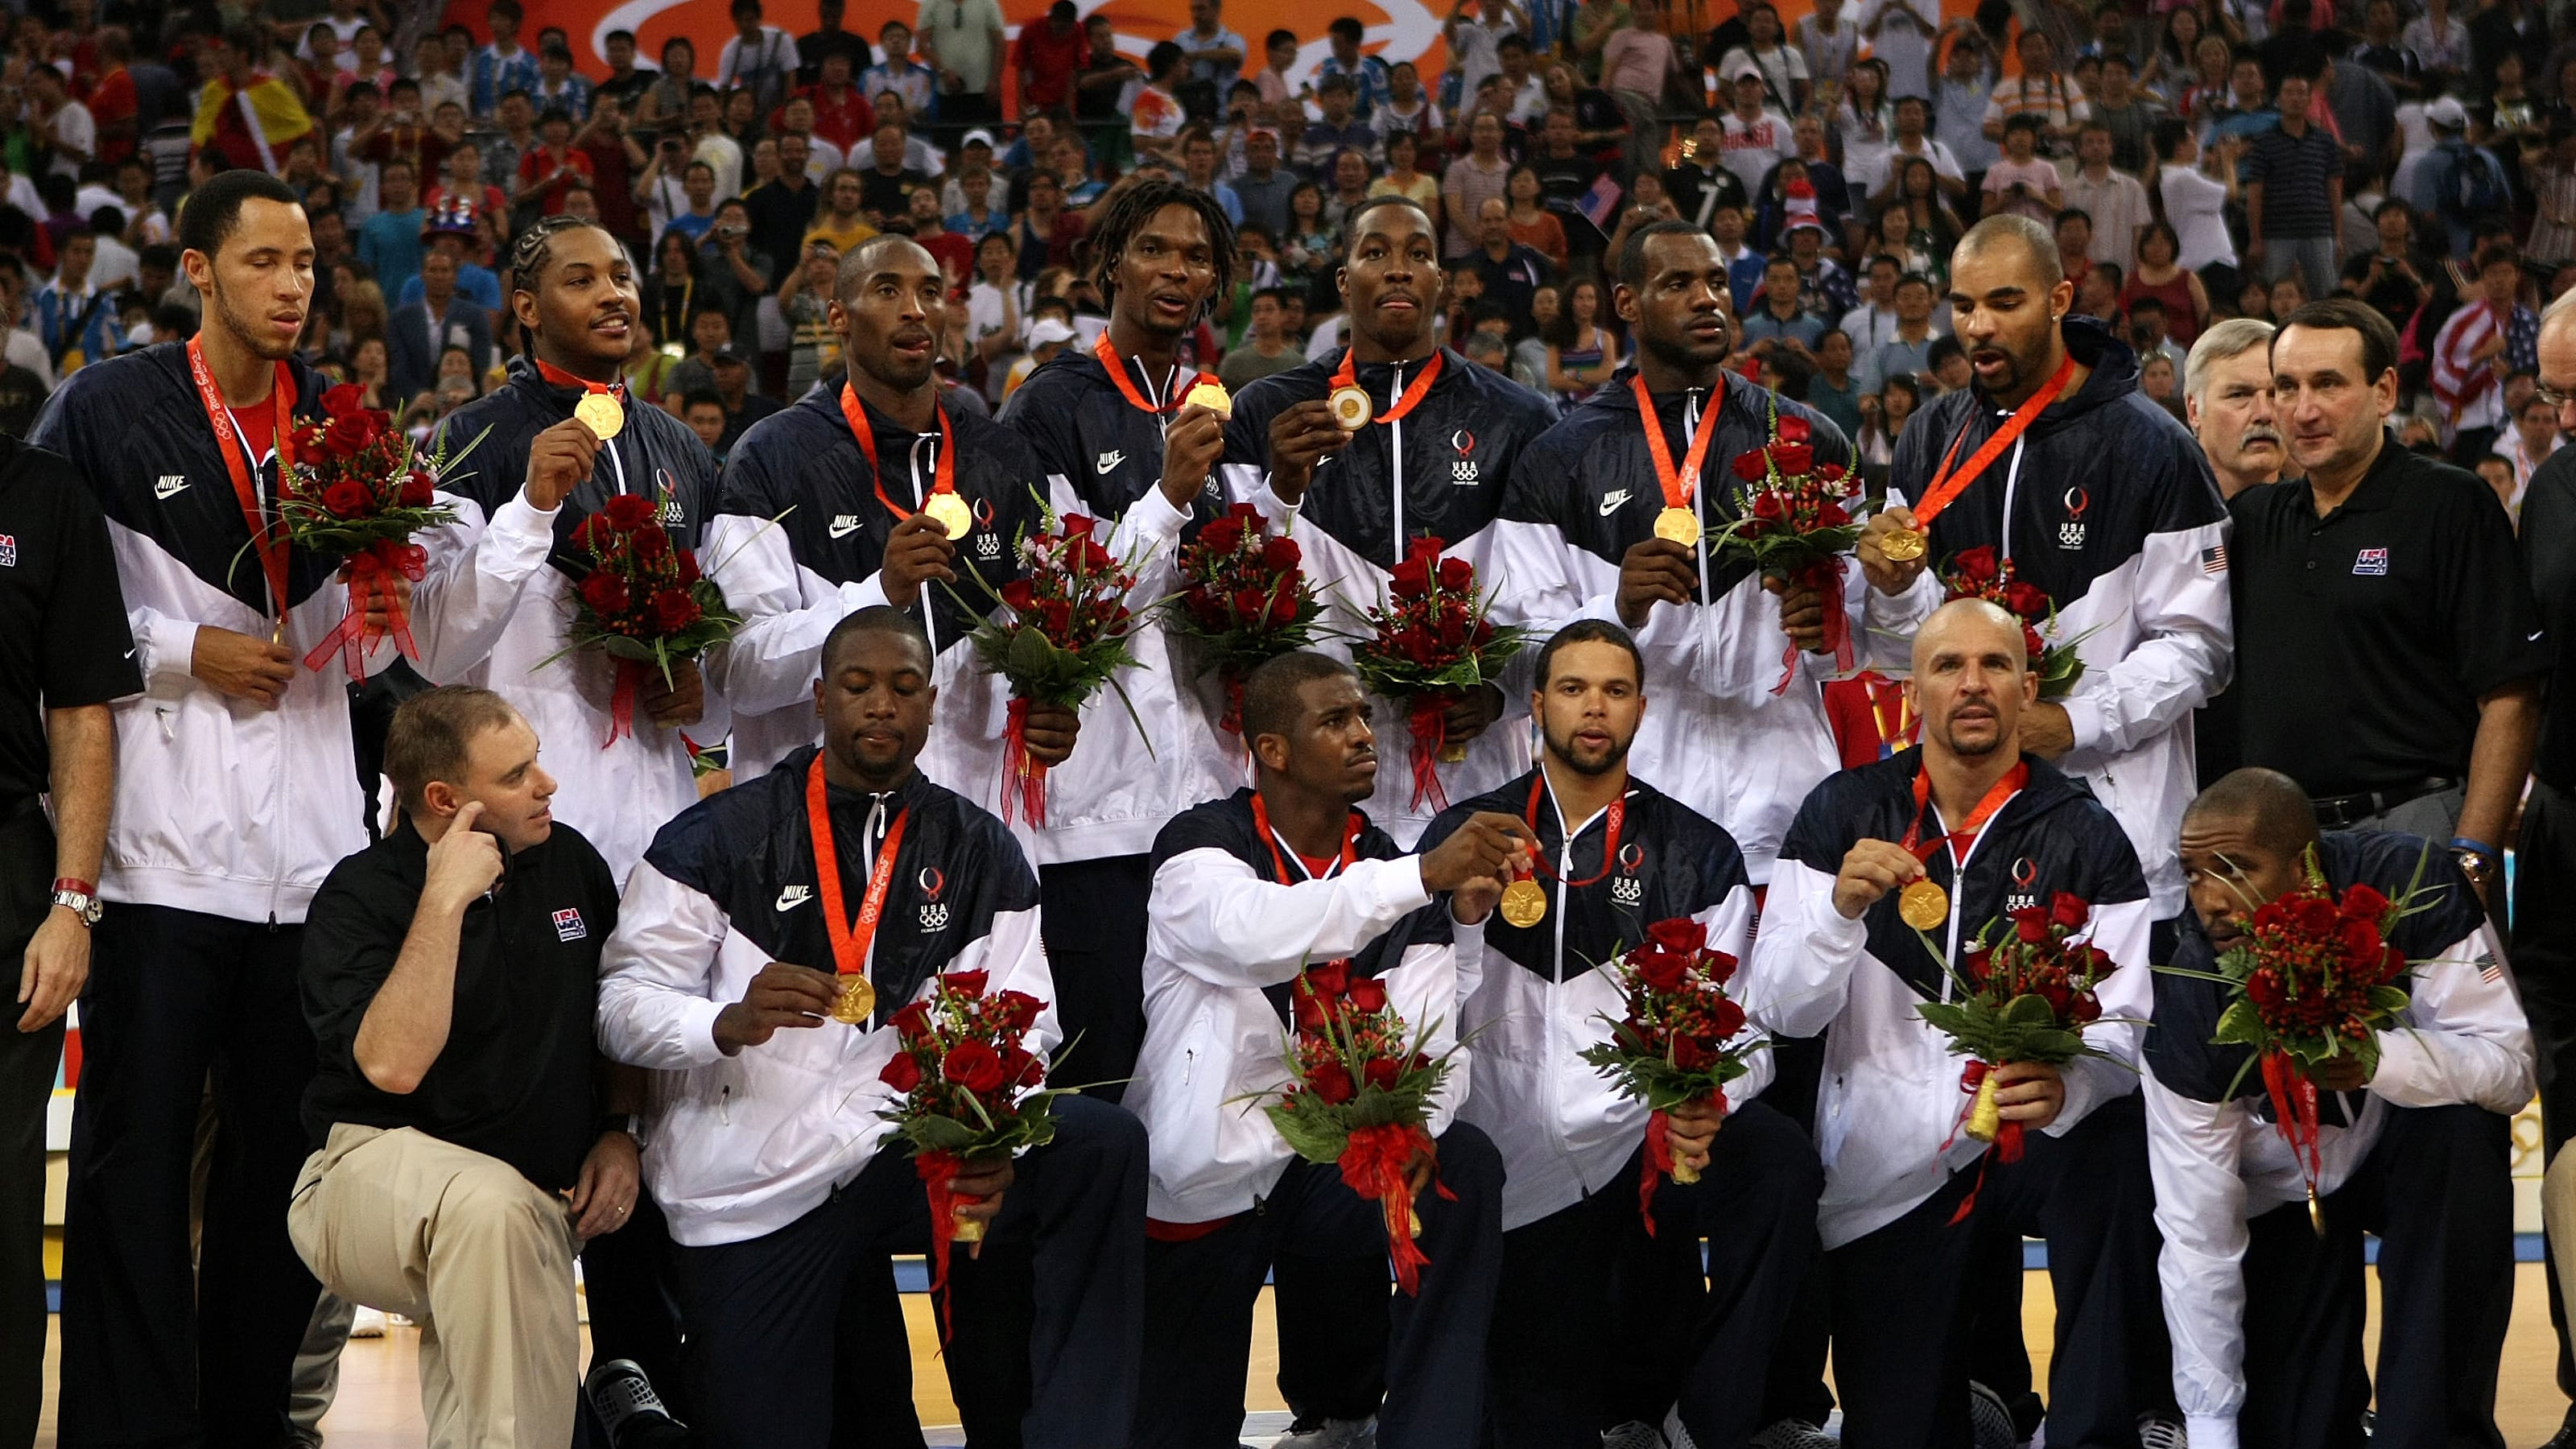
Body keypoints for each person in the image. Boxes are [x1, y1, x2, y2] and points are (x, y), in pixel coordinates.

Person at [596, 605, 1147, 1448]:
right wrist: (724, 1021)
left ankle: (1064, 1434)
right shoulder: (717, 837)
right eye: (857, 686)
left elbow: (1026, 1028)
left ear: (931, 704)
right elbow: (621, 1004)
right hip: (756, 1183)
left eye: (901, 688)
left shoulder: (980, 848)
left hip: (902, 1155)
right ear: (820, 698)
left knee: (1095, 1144)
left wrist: (997, 1135)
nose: (879, 706)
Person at [28, 167, 389, 1449]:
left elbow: (382, 647)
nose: (293, 287)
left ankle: (251, 1423)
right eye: (264, 264)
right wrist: (184, 649)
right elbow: (38, 599)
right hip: (159, 863)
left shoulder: (345, 428)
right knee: (131, 1169)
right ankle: (127, 1430)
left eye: (305, 265)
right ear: (197, 270)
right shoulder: (105, 409)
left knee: (283, 1179)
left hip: (310, 863)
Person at [1739, 597, 2171, 1444]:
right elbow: (1781, 1011)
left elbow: (2124, 1028)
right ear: (1911, 692)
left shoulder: (2085, 833)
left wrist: (2070, 1084)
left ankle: (2100, 1428)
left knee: (2117, 1154)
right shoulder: (1840, 812)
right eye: (1946, 666)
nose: (1971, 684)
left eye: (1993, 665)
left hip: (2031, 1138)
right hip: (1888, 1163)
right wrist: (1836, 915)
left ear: (2025, 688)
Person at [1425, 620, 1824, 1447]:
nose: (1593, 708)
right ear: (1535, 705)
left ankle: (1713, 1421)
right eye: (1572, 689)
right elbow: (1419, 1012)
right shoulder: (1463, 838)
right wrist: (1464, 923)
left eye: (1613, 691)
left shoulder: (1698, 852)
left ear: (1642, 709)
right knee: (1543, 1416)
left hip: (1645, 1140)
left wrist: (1702, 1099)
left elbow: (1742, 1028)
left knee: (1776, 1160)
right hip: (1512, 1158)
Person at [1125, 649, 1522, 1449]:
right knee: (1175, 1428)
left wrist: (1417, 1130)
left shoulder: (1395, 868)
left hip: (1335, 1176)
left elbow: (1432, 1041)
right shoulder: (1199, 845)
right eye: (1333, 721)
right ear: (1270, 749)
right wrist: (1417, 879)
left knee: (1462, 1162)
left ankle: (1408, 1432)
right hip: (1208, 1173)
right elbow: (1250, 936)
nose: (1360, 736)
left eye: (1362, 719)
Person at [287, 687, 638, 1449]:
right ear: (445, 799)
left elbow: (617, 1011)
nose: (546, 784)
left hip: (523, 1209)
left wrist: (618, 1130)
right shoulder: (361, 895)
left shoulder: (569, 860)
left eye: (537, 761)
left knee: (505, 1242)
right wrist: (443, 900)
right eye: (516, 775)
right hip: (361, 1179)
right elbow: (390, 1067)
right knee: (497, 1209)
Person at [1862, 214, 2231, 939]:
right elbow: (1896, 650)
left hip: (2117, 818)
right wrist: (1897, 590)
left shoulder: (2155, 448)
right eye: (1964, 306)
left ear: (2060, 300)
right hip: (1963, 819)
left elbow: (2198, 647)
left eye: (2006, 303)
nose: (1979, 327)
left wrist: (2069, 723)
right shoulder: (1931, 438)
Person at [2145, 767, 2530, 1449]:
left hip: (2403, 1154)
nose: (2210, 899)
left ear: (2306, 866)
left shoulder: (2409, 885)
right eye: (2194, 873)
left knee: (2464, 1132)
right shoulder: (2189, 984)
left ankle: (2428, 1432)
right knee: (2294, 1432)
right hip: (2285, 1193)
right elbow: (2197, 1231)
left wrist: (2384, 1061)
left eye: (2233, 868)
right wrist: (2210, 1428)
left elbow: (2511, 1070)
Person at [1489, 221, 1857, 889]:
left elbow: (1884, 638)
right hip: (1639, 814)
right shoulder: (1560, 457)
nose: (1707, 299)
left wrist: (1836, 620)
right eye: (1678, 284)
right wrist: (1616, 610)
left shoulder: (1807, 439)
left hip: (1788, 800)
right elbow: (1518, 663)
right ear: (1626, 303)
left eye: (1716, 282)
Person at [1220, 196, 1563, 845]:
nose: (1399, 269)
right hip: (1323, 768)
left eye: (1419, 255)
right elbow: (1229, 595)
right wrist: (1282, 488)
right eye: (1376, 252)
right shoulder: (1270, 408)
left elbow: (1548, 595)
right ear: (1344, 280)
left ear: (1442, 282)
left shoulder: (1518, 419)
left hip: (1474, 760)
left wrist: (1502, 695)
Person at [420, 215, 721, 887]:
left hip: (656, 799)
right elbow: (436, 641)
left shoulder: (683, 449)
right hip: (532, 801)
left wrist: (699, 683)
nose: (613, 295)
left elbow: (728, 629)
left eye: (621, 277)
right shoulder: (468, 440)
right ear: (526, 307)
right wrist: (530, 507)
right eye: (581, 281)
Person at [2231, 296, 2544, 899]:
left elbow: (2511, 696)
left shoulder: (2450, 505)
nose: (2304, 409)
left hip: (2418, 831)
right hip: (2286, 848)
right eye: (2286, 387)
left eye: (2328, 384)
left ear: (2384, 391)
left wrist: (2474, 853)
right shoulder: (2253, 519)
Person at [0, 422, 131, 1449]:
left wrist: (72, 901)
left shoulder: (43, 493)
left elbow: (82, 710)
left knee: (3, 1194)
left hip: (7, 872)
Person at [2525, 292, 2576, 1449]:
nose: (2559, 415)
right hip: (2569, 829)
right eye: (2554, 396)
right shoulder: (2554, 487)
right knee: (2573, 1104)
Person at [2244, 72, 2344, 305]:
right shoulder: (2264, 142)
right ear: (2279, 99)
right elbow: (2255, 192)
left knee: (2327, 296)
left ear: (2310, 99)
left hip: (2318, 228)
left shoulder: (2325, 140)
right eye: (2289, 93)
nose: (2295, 98)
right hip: (2276, 231)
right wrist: (2255, 238)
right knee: (2274, 295)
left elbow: (2333, 189)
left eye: (2301, 93)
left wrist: (2337, 235)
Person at [2184, 318, 2285, 499]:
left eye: (2275, 394)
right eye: (2239, 395)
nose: (2264, 413)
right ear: (2194, 411)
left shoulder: (2325, 519)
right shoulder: (2156, 519)